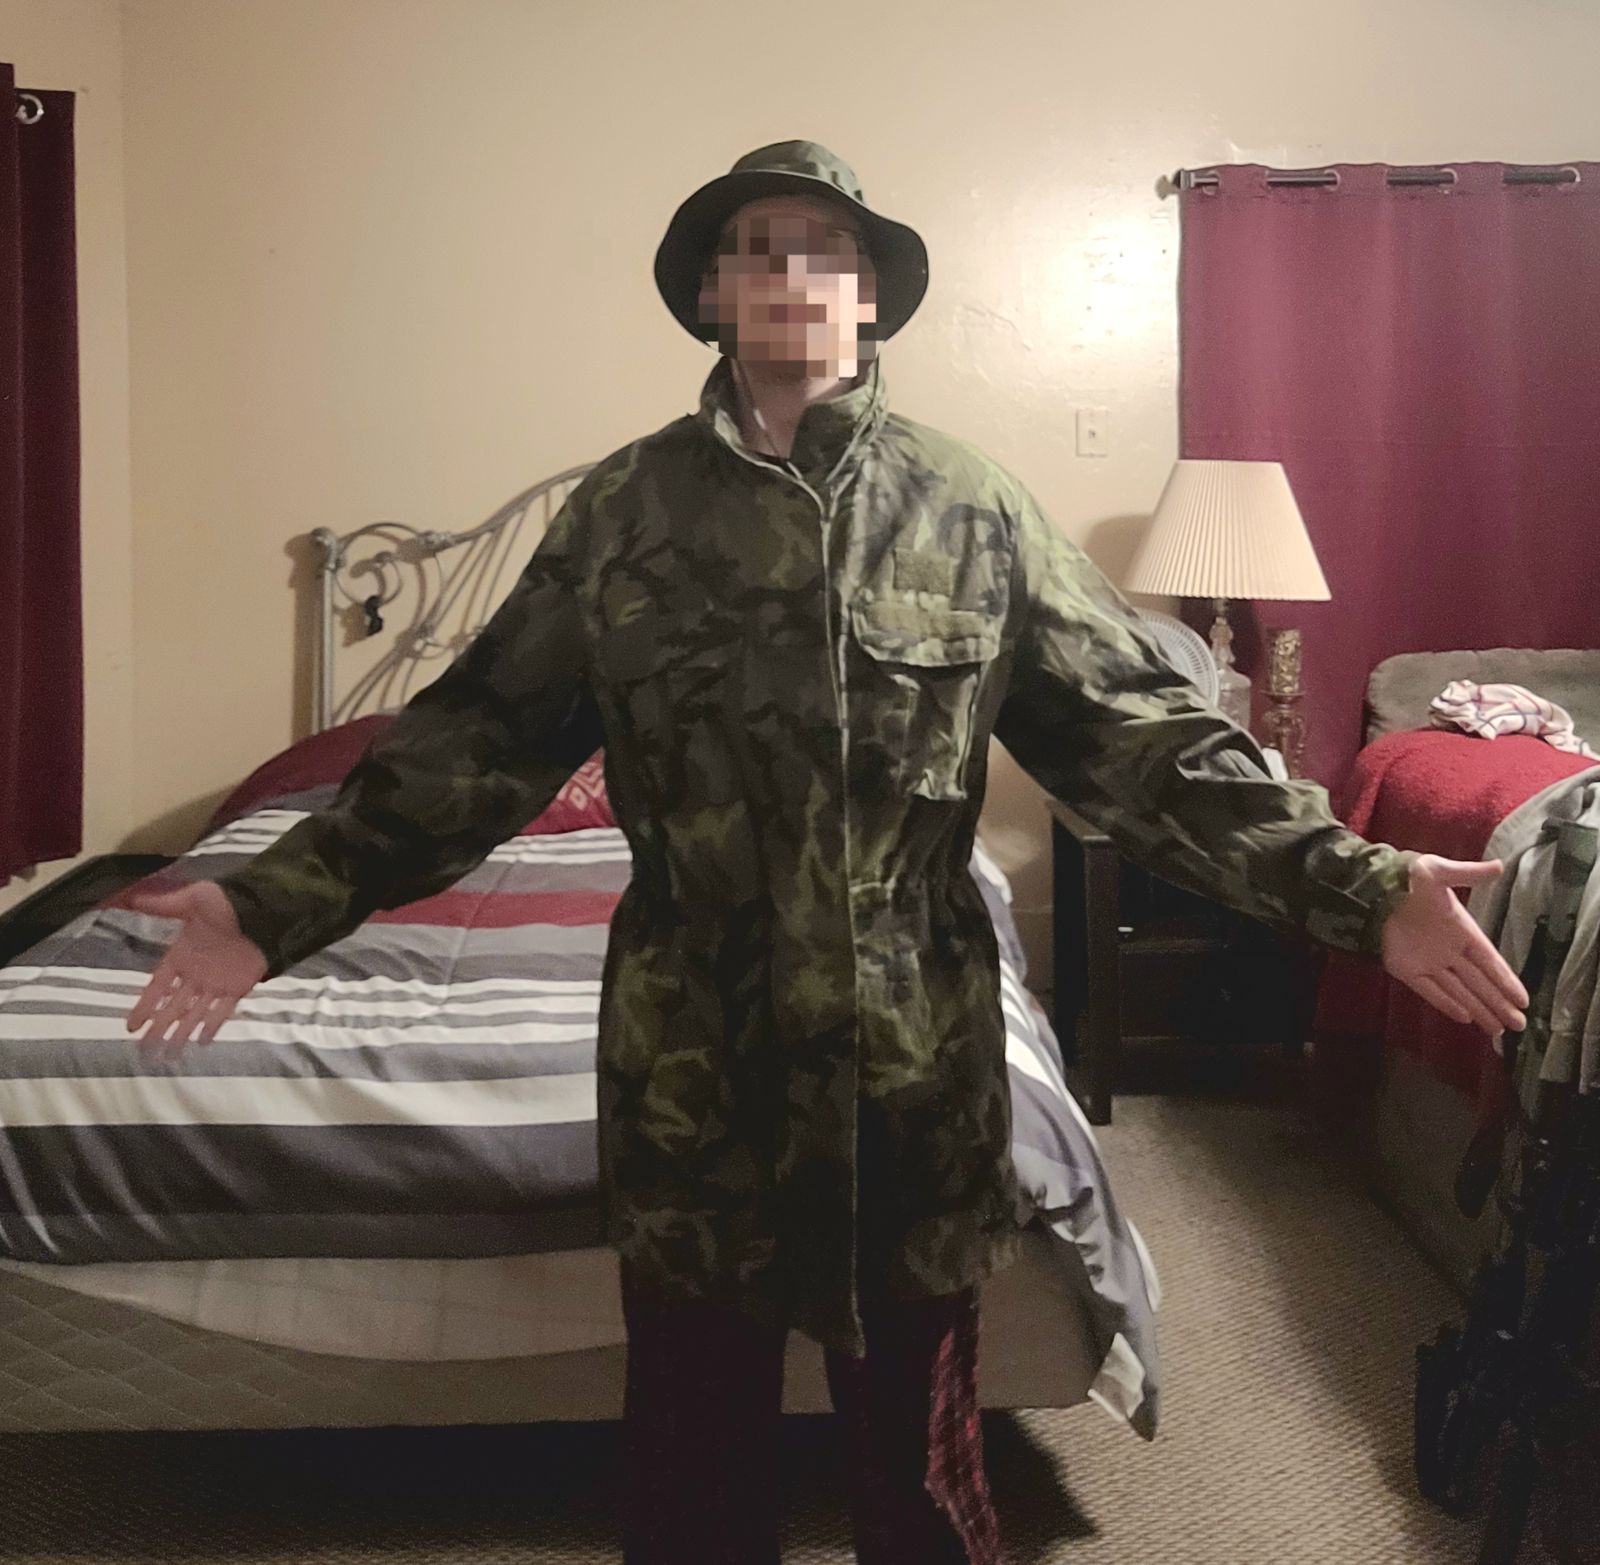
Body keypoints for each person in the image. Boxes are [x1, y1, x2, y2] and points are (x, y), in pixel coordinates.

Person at [125, 141, 1528, 1565]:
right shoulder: (624, 514)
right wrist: (268, 904)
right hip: (692, 1061)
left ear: (869, 299)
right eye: (757, 250)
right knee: (690, 1466)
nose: (792, 275)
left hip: (911, 1064)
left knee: (921, 1472)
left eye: (826, 251)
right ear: (712, 298)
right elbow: (471, 743)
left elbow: (1142, 741)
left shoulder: (972, 508)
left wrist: (1361, 886)